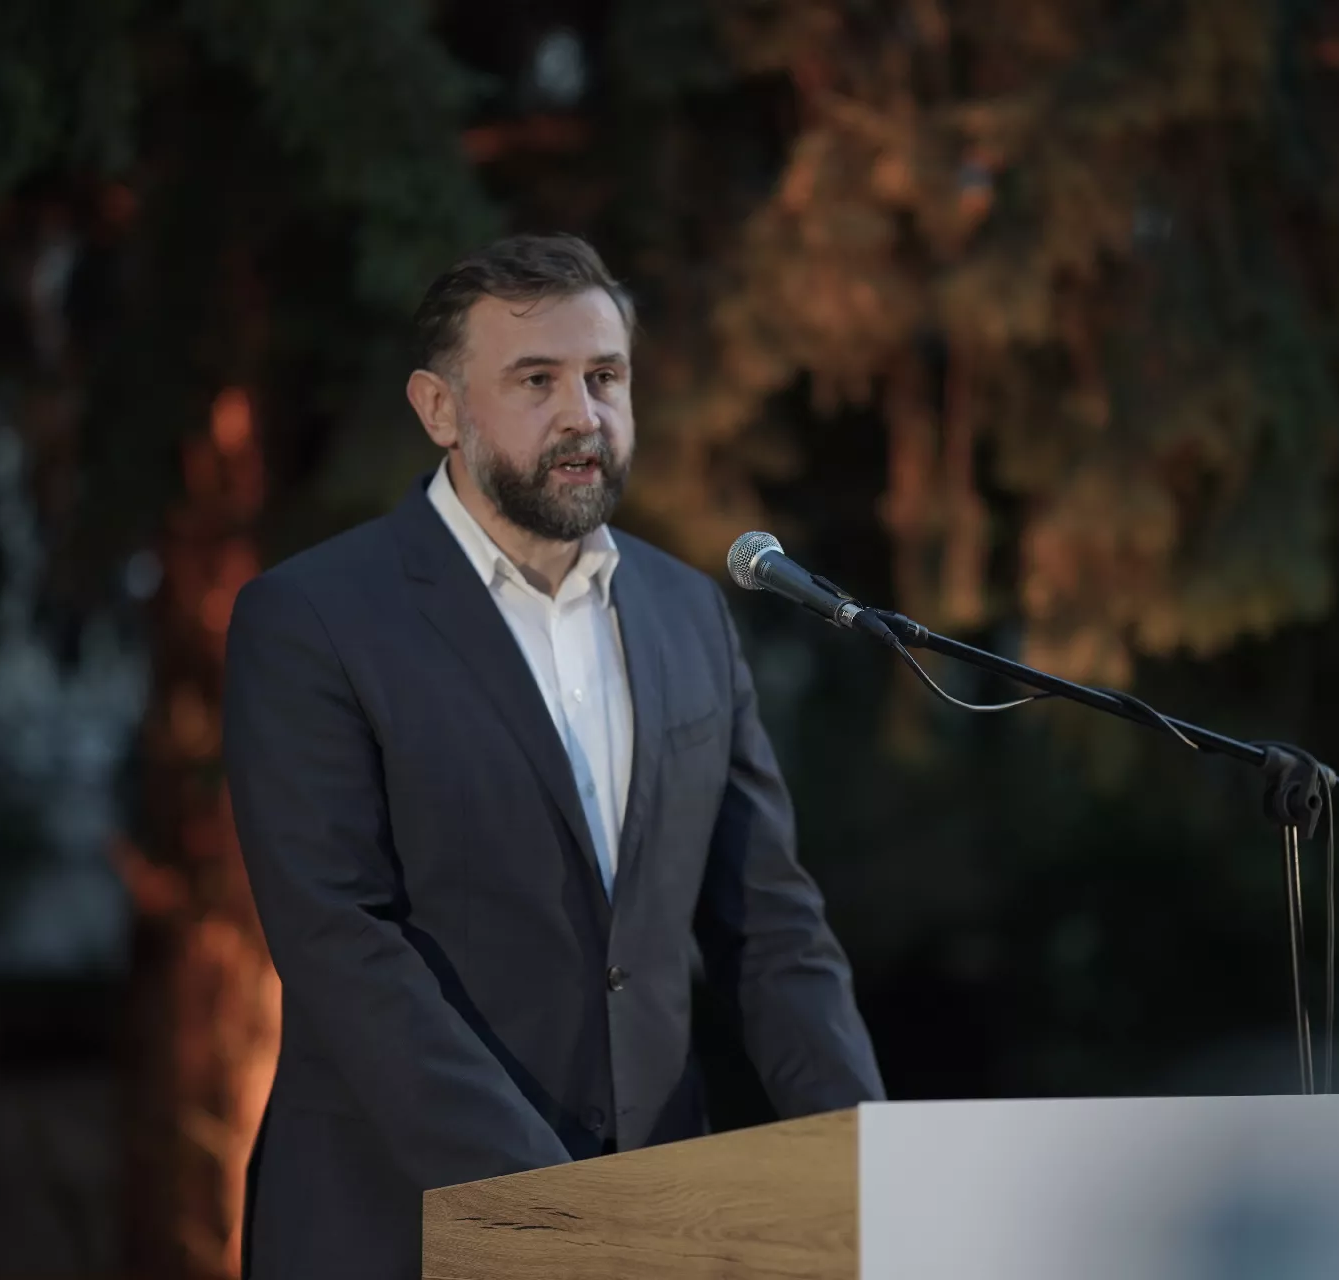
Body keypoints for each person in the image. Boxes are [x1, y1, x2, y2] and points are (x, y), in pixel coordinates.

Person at [224, 233, 884, 1279]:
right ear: (439, 409)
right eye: (537, 380)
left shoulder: (688, 614)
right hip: (398, 1230)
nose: (584, 415)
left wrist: (869, 1166)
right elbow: (342, 941)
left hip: (654, 1226)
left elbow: (771, 926)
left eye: (604, 377)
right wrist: (560, 1221)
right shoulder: (313, 619)